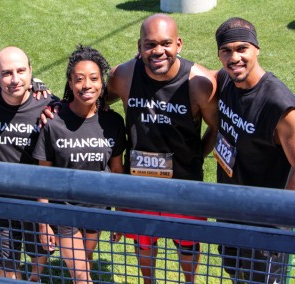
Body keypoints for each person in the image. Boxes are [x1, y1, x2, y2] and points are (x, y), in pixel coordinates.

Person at [107, 14, 218, 283]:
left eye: (166, 43)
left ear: (179, 44)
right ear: (139, 46)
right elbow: (94, 98)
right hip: (140, 185)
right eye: (150, 44)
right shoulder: (123, 75)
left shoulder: (199, 83)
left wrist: (196, 156)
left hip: (185, 186)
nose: (158, 51)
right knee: (144, 243)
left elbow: (216, 129)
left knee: (188, 245)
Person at [33, 45, 126, 283]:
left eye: (94, 78)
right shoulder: (54, 122)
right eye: (79, 79)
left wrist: (121, 213)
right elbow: (43, 176)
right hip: (64, 210)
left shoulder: (113, 122)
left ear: (102, 83)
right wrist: (44, 222)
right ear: (70, 82)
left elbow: (117, 170)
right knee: (83, 276)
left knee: (84, 265)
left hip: (97, 209)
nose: (87, 85)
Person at [213, 17, 295, 283]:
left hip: (264, 226)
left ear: (256, 49)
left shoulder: (278, 104)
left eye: (241, 48)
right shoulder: (226, 80)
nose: (234, 57)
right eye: (226, 51)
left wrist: (279, 220)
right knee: (237, 275)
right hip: (230, 211)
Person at [0, 46, 59, 281]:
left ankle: (34, 278)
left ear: (31, 71)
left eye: (21, 71)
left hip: (35, 199)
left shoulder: (49, 105)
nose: (15, 79)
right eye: (7, 73)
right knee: (7, 259)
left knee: (39, 251)